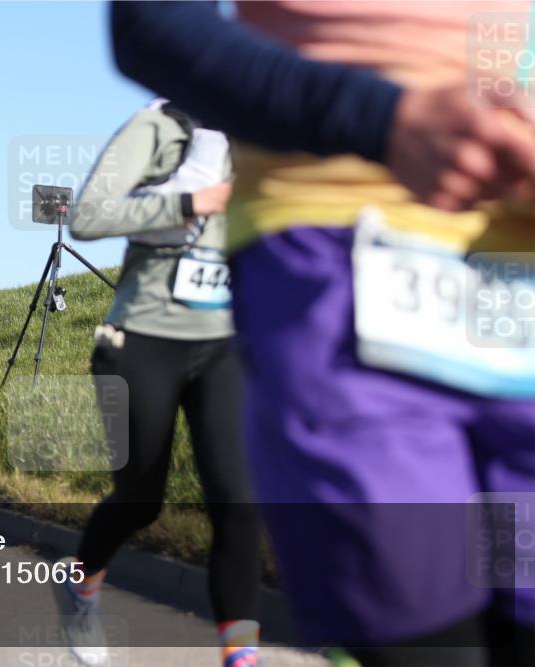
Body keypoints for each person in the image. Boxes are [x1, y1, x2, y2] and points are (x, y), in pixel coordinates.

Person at [110, 4, 535, 666]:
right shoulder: (151, 132)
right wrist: (386, 119)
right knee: (424, 632)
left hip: (520, 264)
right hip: (340, 244)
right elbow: (150, 25)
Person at [56, 100, 260, 667]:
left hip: (226, 345)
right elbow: (88, 217)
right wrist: (193, 202)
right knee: (142, 500)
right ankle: (80, 585)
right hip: (142, 337)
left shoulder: (268, 132)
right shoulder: (163, 125)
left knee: (238, 501)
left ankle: (241, 657)